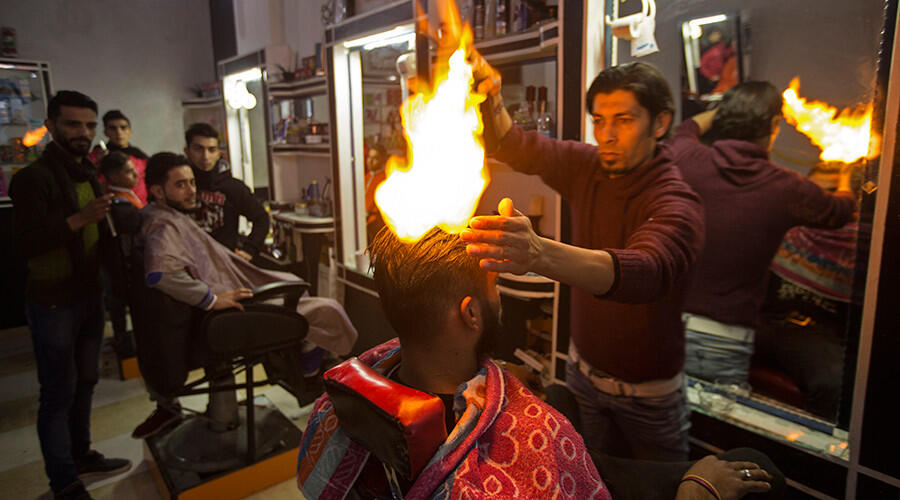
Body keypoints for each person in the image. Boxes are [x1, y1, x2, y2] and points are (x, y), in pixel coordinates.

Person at [296, 227, 777, 500]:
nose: (498, 296)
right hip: (556, 463)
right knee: (752, 467)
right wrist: (698, 495)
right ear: (470, 313)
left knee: (566, 401)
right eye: (494, 288)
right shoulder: (537, 443)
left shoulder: (337, 405)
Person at [462, 61, 705, 461]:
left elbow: (646, 270)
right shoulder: (588, 166)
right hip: (582, 378)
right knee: (583, 479)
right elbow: (514, 144)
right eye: (599, 120)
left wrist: (538, 253)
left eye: (623, 120)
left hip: (649, 398)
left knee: (663, 487)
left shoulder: (676, 200)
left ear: (660, 123)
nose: (607, 135)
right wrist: (490, 100)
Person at [130, 152, 358, 438]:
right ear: (157, 191)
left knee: (295, 285)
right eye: (181, 185)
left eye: (191, 183)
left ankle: (305, 367)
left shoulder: (158, 216)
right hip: (222, 310)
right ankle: (313, 377)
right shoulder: (164, 226)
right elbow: (159, 274)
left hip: (213, 306)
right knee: (327, 308)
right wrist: (211, 299)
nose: (192, 191)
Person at [667, 82, 856, 386]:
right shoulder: (784, 187)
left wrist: (720, 111)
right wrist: (846, 175)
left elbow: (684, 130)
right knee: (717, 433)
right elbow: (839, 210)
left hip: (667, 329)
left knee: (666, 429)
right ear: (773, 126)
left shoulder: (689, 160)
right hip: (724, 341)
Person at [9, 90, 131, 500]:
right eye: (73, 124)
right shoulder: (32, 179)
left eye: (89, 125)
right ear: (52, 125)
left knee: (86, 381)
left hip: (89, 294)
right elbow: (26, 243)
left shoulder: (88, 173)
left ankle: (82, 455)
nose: (83, 133)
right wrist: (79, 219)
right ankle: (62, 480)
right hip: (53, 300)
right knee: (57, 391)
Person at [183, 122, 269, 261]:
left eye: (211, 150)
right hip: (188, 261)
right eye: (198, 149)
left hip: (223, 264)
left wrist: (249, 250)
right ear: (187, 151)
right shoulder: (180, 186)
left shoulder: (232, 187)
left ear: (218, 154)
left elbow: (262, 218)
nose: (205, 156)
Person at [88, 109, 149, 204]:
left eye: (123, 128)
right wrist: (99, 164)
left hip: (140, 205)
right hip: (111, 206)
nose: (118, 132)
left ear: (130, 132)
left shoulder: (140, 157)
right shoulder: (96, 155)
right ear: (105, 132)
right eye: (113, 128)